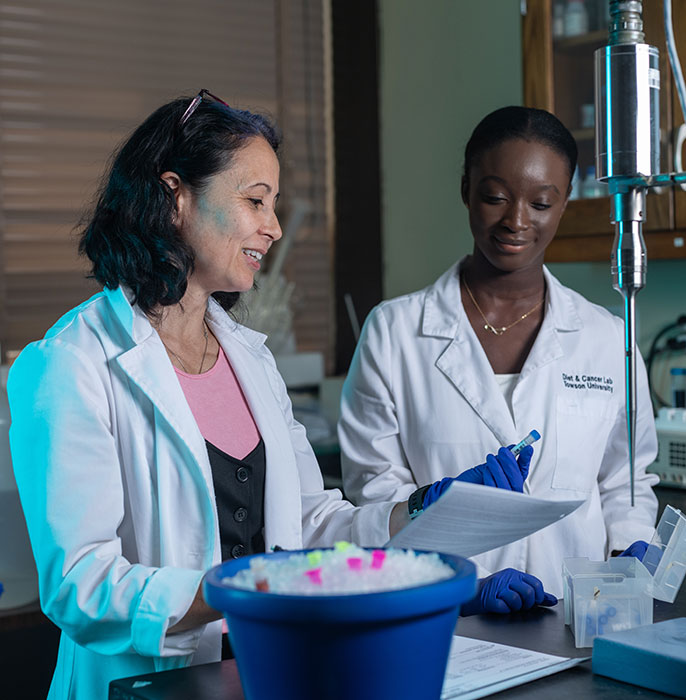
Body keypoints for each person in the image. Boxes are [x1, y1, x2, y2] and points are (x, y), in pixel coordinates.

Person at [7, 93, 552, 700]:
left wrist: (423, 507)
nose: (274, 226)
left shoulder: (251, 360)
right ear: (175, 197)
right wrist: (239, 588)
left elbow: (313, 527)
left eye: (273, 203)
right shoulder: (73, 362)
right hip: (144, 686)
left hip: (268, 676)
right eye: (254, 200)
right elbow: (80, 584)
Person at [339, 105, 658, 599]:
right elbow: (377, 495)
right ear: (466, 189)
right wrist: (463, 589)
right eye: (495, 197)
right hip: (446, 616)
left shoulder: (607, 338)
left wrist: (631, 547)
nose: (516, 221)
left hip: (579, 617)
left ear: (566, 203)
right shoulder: (394, 332)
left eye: (541, 203)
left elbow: (626, 483)